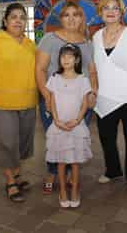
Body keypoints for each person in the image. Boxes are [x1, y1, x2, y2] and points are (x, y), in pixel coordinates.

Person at [0, 3, 37, 202]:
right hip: (3, 103)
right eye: (13, 17)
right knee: (7, 142)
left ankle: (18, 176)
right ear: (5, 21)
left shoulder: (30, 45)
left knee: (22, 143)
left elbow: (38, 72)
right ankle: (10, 182)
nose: (18, 20)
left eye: (22, 17)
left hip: (28, 102)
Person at [36, 1, 97, 194]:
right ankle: (52, 172)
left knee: (74, 137)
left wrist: (93, 92)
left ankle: (71, 172)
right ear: (60, 18)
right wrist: (46, 95)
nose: (71, 19)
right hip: (54, 100)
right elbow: (40, 69)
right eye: (66, 15)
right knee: (56, 137)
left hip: (80, 102)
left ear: (81, 19)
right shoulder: (49, 39)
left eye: (76, 14)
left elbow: (92, 71)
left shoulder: (88, 43)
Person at [92, 0, 127, 193]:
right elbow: (95, 68)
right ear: (100, 12)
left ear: (121, 12)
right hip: (105, 99)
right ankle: (113, 170)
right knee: (107, 139)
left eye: (115, 8)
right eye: (106, 7)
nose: (110, 11)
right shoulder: (96, 37)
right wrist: (94, 88)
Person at [45, 44, 92, 208]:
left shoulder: (82, 79)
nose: (66, 59)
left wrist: (77, 120)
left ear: (77, 59)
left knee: (75, 162)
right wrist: (56, 120)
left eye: (70, 56)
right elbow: (51, 101)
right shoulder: (54, 78)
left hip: (76, 126)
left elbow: (85, 104)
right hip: (58, 126)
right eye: (63, 56)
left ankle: (74, 191)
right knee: (61, 162)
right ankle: (63, 191)